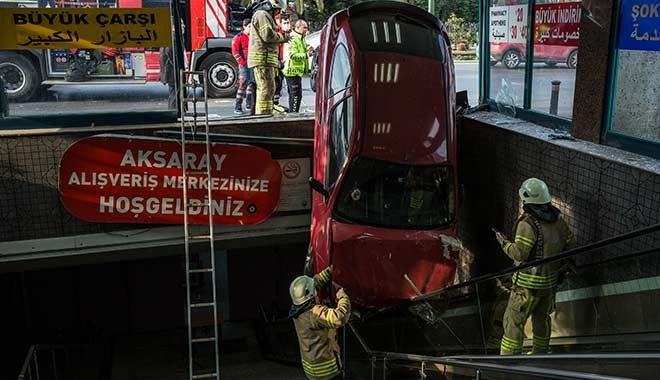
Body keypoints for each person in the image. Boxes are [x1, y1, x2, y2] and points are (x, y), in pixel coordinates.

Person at [494, 178, 574, 355]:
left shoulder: (527, 223)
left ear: (527, 199)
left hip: (526, 286)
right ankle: (540, 352)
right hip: (549, 284)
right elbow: (570, 242)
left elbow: (520, 254)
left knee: (513, 321)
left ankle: (509, 359)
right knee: (542, 320)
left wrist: (503, 242)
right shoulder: (558, 220)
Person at [289, 266, 351, 380]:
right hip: (327, 372)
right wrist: (343, 297)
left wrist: (329, 271)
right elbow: (340, 317)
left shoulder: (296, 310)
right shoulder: (314, 314)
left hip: (310, 370)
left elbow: (313, 286)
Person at [248, 0, 290, 115]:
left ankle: (266, 112)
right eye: (278, 11)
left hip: (266, 60)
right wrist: (283, 37)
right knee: (265, 89)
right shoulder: (262, 15)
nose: (278, 13)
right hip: (262, 59)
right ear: (273, 7)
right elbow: (267, 35)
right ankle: (262, 115)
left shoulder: (265, 15)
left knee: (269, 88)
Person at [283, 20, 312, 113]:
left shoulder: (301, 38)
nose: (306, 30)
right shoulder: (293, 38)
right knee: (295, 95)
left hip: (297, 71)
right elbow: (293, 55)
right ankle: (293, 114)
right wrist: (307, 54)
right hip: (291, 71)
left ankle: (294, 112)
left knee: (297, 95)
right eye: (304, 28)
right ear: (298, 27)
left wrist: (307, 48)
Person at [231, 19, 255, 114]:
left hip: (252, 63)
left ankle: (249, 103)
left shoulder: (252, 37)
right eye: (249, 26)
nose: (251, 29)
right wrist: (242, 62)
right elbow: (235, 52)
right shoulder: (238, 37)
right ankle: (238, 106)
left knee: (251, 84)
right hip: (244, 65)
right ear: (244, 26)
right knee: (243, 84)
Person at [274, 14, 291, 107]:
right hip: (279, 62)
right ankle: (275, 103)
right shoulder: (277, 34)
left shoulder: (292, 34)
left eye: (288, 22)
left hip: (289, 63)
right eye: (284, 23)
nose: (287, 25)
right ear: (280, 24)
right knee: (277, 83)